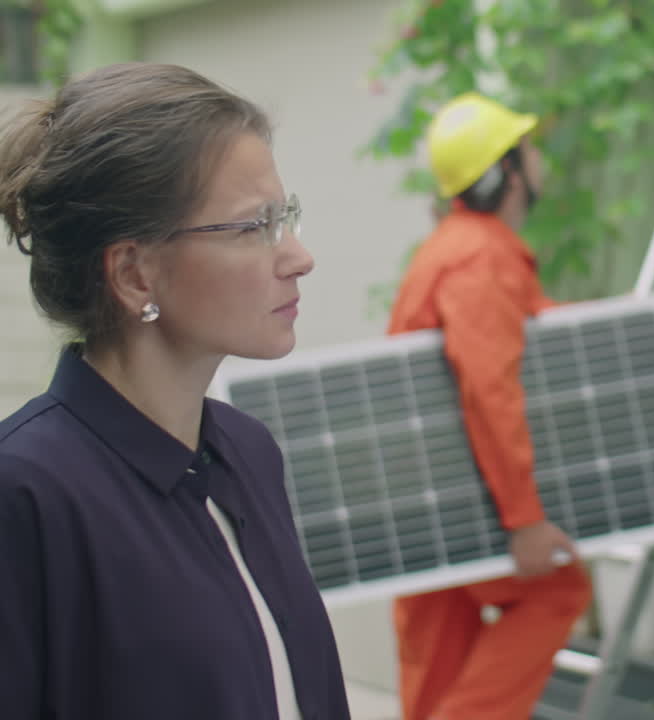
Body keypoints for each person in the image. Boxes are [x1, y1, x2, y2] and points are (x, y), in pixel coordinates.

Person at [0, 63, 350, 720]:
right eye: (254, 227)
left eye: (287, 216)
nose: (298, 256)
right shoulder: (25, 493)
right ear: (134, 273)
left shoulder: (248, 453)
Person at [387, 92, 593, 720]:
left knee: (438, 670)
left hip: (422, 496)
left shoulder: (456, 246)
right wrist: (524, 520)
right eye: (527, 149)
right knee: (558, 590)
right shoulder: (481, 257)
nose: (539, 161)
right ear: (504, 171)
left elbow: (512, 330)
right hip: (455, 498)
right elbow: (489, 387)